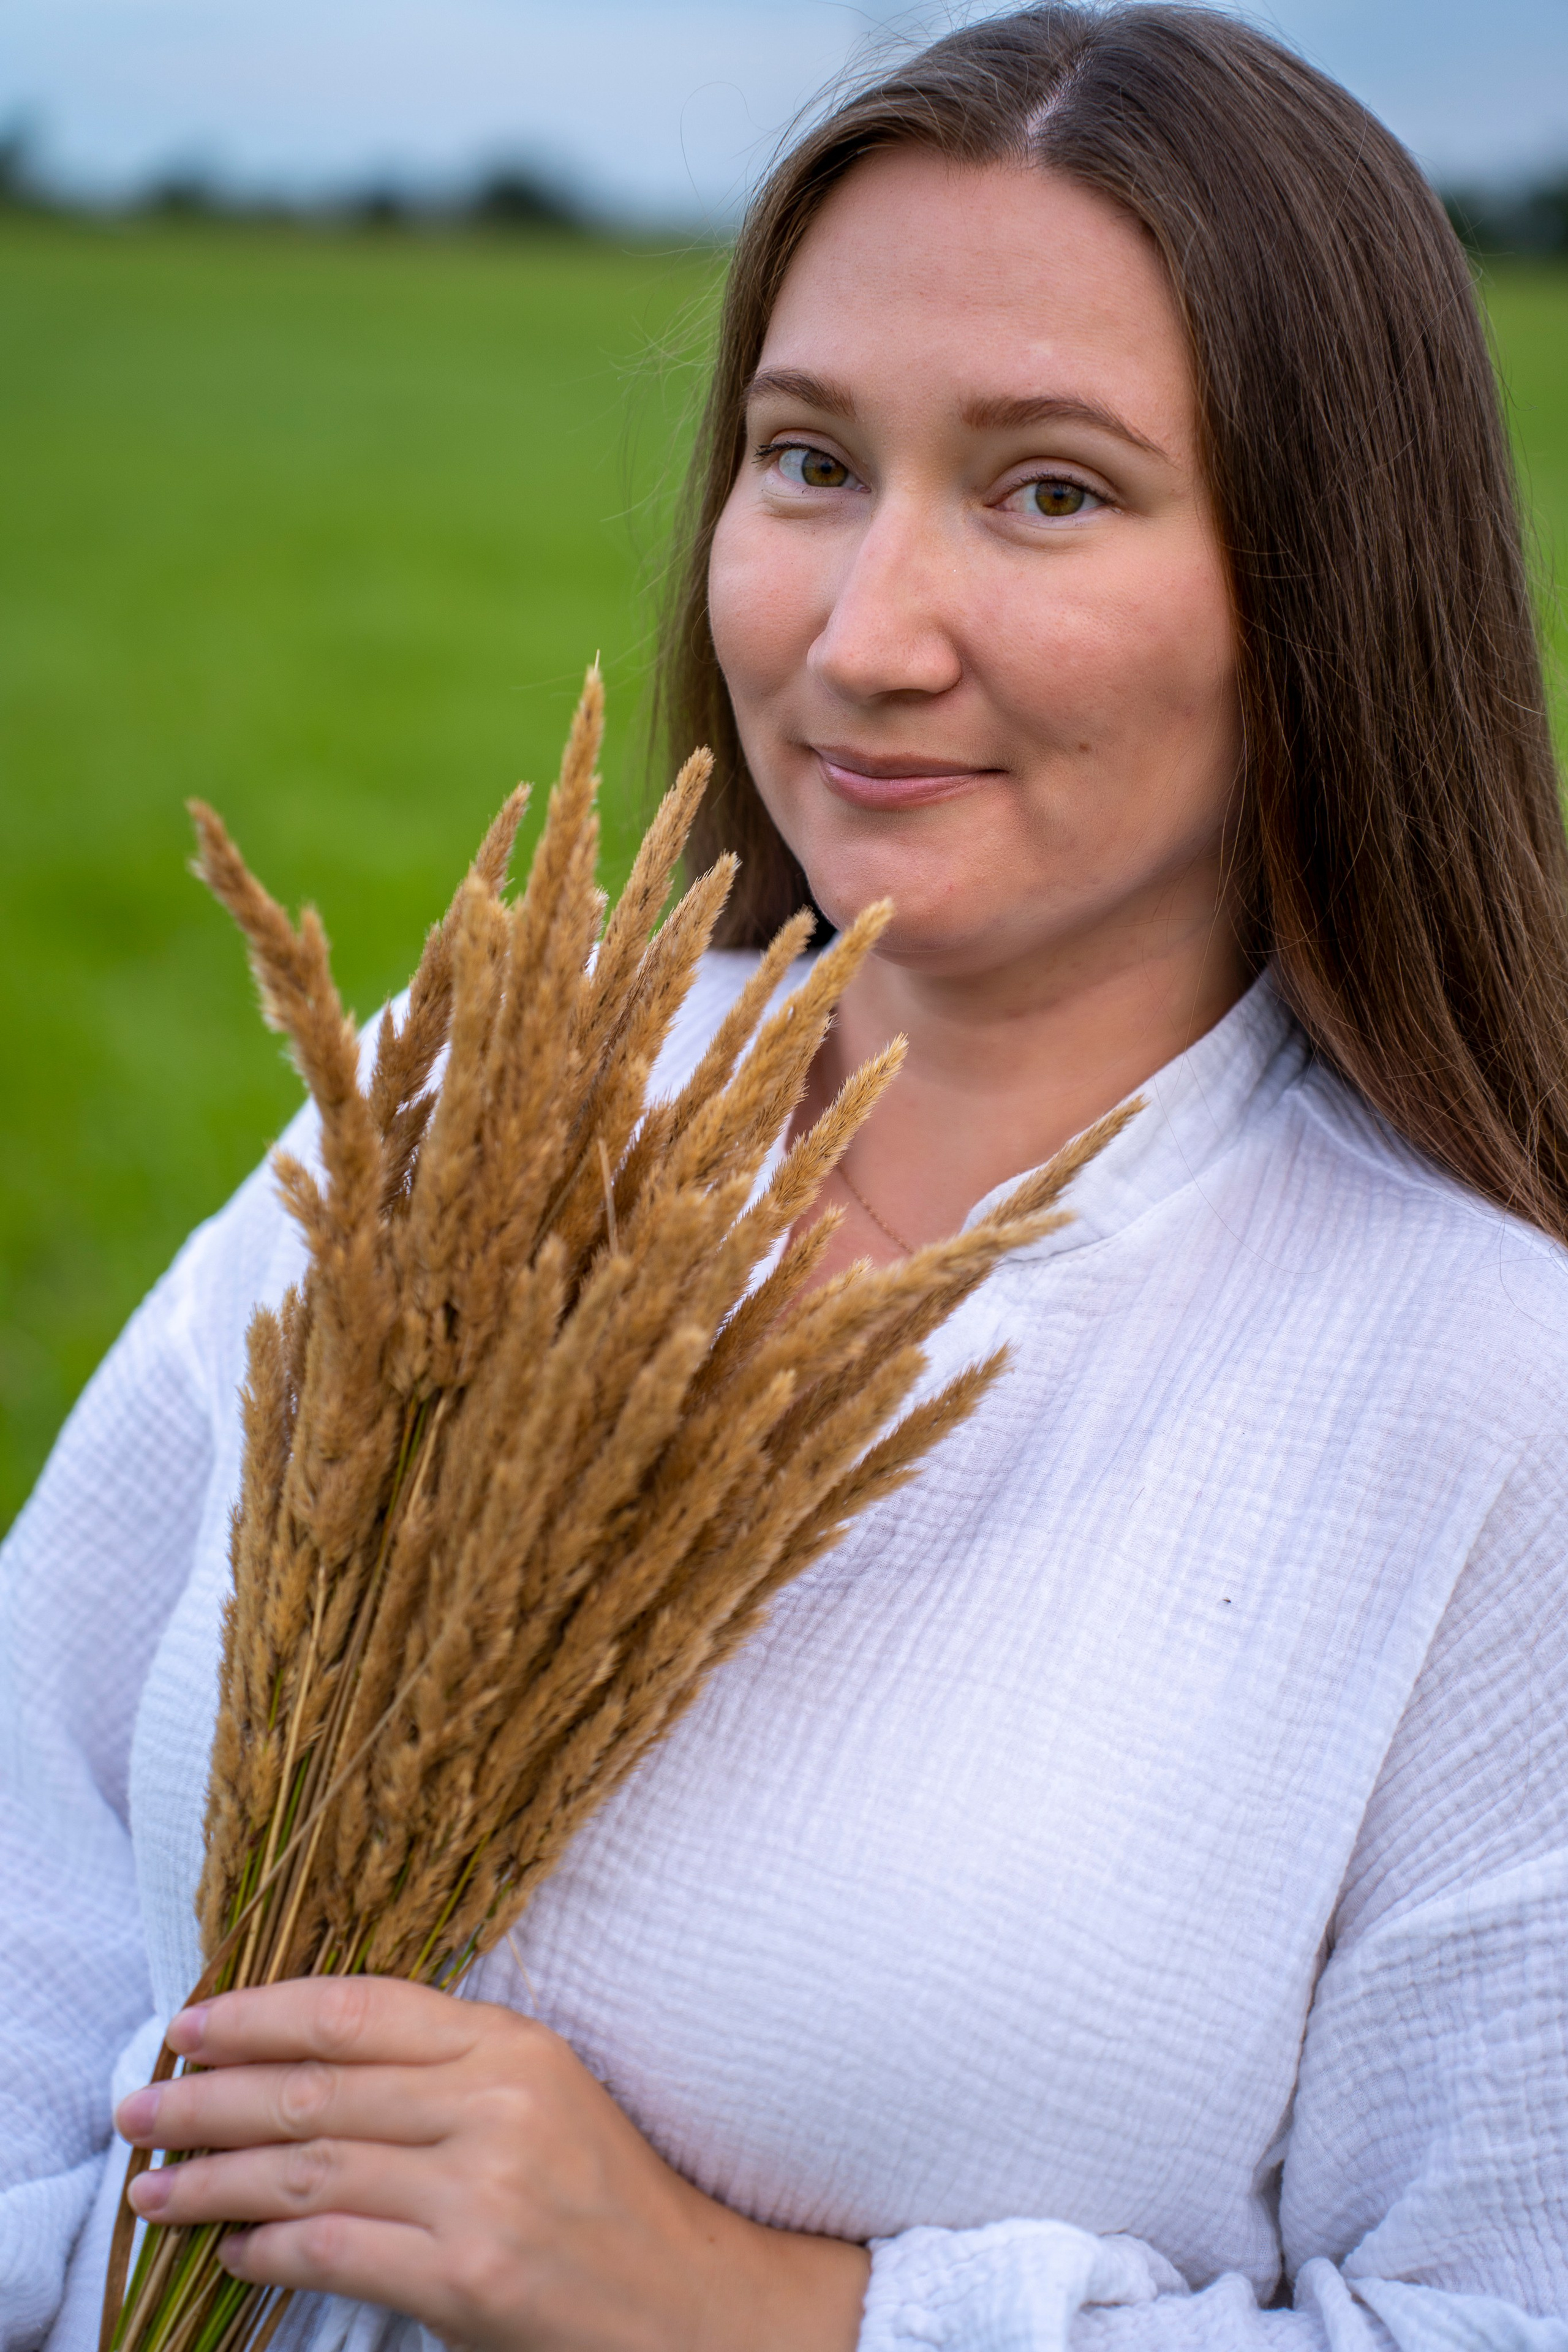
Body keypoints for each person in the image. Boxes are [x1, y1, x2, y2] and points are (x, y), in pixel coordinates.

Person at [4, 7, 1567, 2348]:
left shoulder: (1484, 1393)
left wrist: (754, 2310)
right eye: (809, 460)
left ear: (1325, 584)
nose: (860, 636)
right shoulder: (464, 1112)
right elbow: (30, 1838)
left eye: (1050, 489)